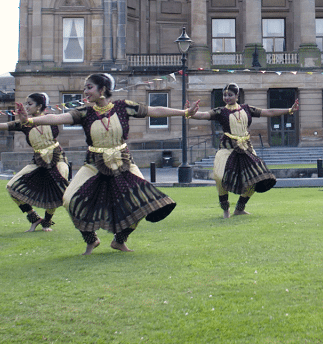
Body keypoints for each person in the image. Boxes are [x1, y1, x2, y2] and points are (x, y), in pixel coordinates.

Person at [18, 73, 193, 255]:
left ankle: (119, 240)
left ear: (102, 89)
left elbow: (154, 110)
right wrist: (29, 120)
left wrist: (184, 113)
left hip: (124, 162)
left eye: (89, 87)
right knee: (68, 199)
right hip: (93, 164)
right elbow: (57, 118)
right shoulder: (84, 113)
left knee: (140, 202)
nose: (85, 91)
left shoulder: (123, 107)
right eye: (85, 87)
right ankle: (91, 240)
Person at [188, 83, 298, 218]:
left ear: (237, 96)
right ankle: (225, 208)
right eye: (224, 95)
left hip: (246, 148)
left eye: (230, 95)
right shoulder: (220, 111)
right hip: (227, 148)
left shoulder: (247, 109)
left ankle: (240, 208)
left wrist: (289, 110)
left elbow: (268, 112)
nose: (227, 97)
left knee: (254, 178)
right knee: (219, 177)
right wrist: (189, 112)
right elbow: (203, 115)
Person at [0, 93, 68, 232]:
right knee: (11, 186)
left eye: (30, 104)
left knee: (55, 189)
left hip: (57, 158)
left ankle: (47, 222)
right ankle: (34, 217)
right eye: (26, 104)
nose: (26, 107)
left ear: (39, 106)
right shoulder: (23, 124)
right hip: (38, 160)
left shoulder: (51, 118)